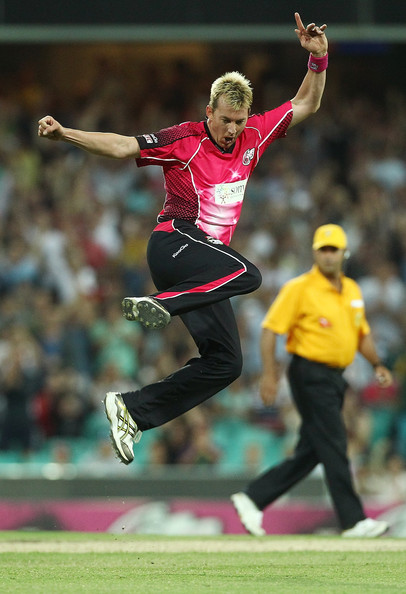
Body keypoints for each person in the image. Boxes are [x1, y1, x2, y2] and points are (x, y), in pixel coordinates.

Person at [38, 13, 328, 466]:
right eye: (224, 120)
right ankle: (164, 303)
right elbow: (123, 145)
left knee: (227, 363)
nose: (231, 130)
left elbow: (305, 103)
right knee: (249, 274)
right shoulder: (185, 139)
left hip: (204, 270)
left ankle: (132, 410)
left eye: (239, 121)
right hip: (174, 241)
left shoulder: (255, 134)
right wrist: (66, 134)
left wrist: (319, 60)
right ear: (209, 111)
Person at [231, 224, 393, 538]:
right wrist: (269, 375)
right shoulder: (299, 288)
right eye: (323, 250)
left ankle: (253, 497)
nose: (328, 256)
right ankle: (353, 521)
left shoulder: (353, 291)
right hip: (309, 372)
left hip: (335, 376)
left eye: (334, 250)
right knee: (335, 441)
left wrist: (377, 364)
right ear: (315, 253)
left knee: (314, 448)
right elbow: (270, 330)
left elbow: (362, 334)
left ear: (344, 253)